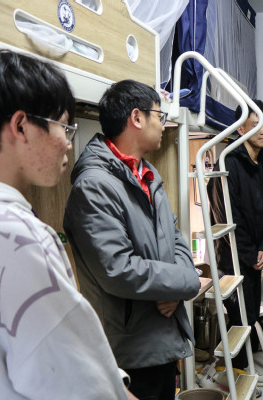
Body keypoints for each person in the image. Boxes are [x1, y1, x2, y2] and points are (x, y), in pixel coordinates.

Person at [0, 49, 134, 399]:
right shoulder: (20, 239)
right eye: (65, 127)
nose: (69, 145)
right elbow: (86, 388)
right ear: (21, 126)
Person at [63, 79, 201, 400]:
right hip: (131, 349)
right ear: (137, 118)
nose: (163, 125)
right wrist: (186, 282)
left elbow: (174, 236)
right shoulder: (95, 186)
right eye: (159, 116)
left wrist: (176, 287)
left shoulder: (147, 175)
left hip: (161, 335)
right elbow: (119, 269)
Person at [207, 100, 263, 386]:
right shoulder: (228, 163)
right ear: (240, 129)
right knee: (240, 316)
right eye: (257, 124)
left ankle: (243, 367)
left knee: (249, 313)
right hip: (234, 257)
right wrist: (251, 253)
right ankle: (237, 373)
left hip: (255, 254)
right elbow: (227, 217)